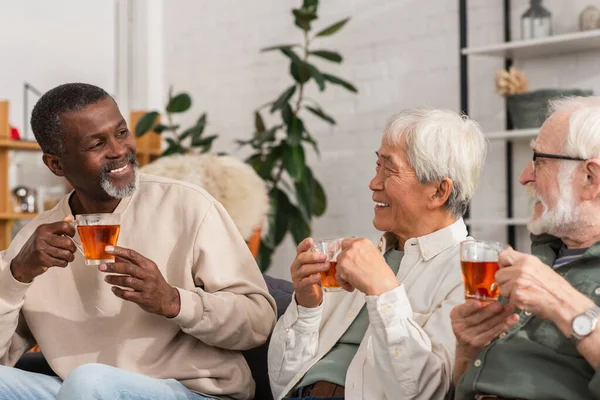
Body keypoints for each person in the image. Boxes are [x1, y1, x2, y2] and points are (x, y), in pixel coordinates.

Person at [0, 83, 277, 400]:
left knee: (89, 382)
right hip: (81, 391)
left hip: (193, 392)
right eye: (97, 144)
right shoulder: (36, 242)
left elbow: (259, 322)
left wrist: (173, 301)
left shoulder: (189, 206)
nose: (119, 150)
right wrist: (17, 275)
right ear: (57, 165)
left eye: (120, 133)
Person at [268, 108, 488, 400]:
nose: (374, 183)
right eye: (377, 166)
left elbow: (424, 392)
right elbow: (281, 381)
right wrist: (307, 306)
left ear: (438, 192)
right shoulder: (357, 256)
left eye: (390, 169)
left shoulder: (473, 274)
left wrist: (383, 290)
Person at [451, 96, 600, 400]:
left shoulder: (543, 280)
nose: (524, 177)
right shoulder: (540, 259)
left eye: (539, 161)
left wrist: (564, 304)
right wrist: (468, 350)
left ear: (590, 178)